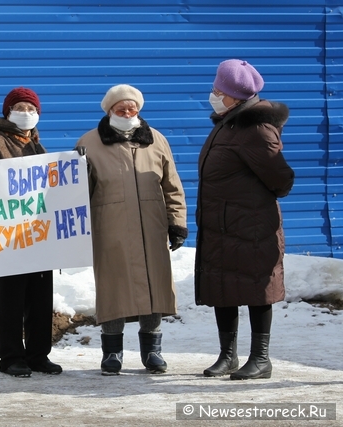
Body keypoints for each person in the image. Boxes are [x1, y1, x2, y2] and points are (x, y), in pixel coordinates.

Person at [75, 84, 187, 376]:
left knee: (153, 289)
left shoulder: (156, 140)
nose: (127, 113)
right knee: (114, 290)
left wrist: (177, 223)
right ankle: (112, 352)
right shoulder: (89, 142)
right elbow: (75, 192)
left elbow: (172, 185)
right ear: (109, 110)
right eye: (121, 108)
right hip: (110, 228)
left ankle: (152, 352)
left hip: (152, 228)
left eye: (132, 108)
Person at [196, 59, 294, 380]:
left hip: (250, 227)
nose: (212, 93)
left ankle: (260, 358)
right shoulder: (229, 122)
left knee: (255, 290)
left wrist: (248, 202)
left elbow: (280, 178)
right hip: (222, 226)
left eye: (217, 89)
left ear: (234, 95)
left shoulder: (255, 127)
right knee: (223, 288)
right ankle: (228, 356)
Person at [0, 87, 62, 377]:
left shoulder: (37, 144)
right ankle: (12, 357)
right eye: (20, 108)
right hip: (7, 236)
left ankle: (38, 355)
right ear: (8, 112)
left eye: (31, 109)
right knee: (10, 298)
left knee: (40, 297)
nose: (26, 113)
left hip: (38, 235)